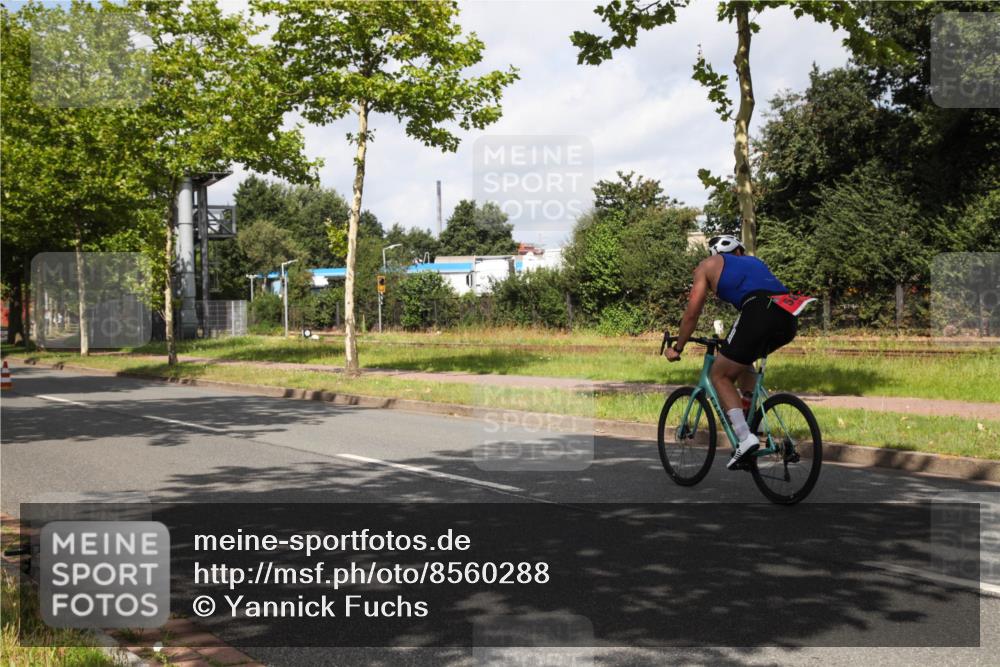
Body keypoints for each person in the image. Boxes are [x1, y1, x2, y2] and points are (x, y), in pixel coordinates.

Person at [663, 234, 806, 469]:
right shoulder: (755, 262)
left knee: (719, 374)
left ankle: (744, 437)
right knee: (740, 359)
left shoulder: (706, 266)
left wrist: (678, 347)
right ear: (738, 251)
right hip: (788, 314)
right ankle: (752, 418)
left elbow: (692, 313)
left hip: (759, 310)